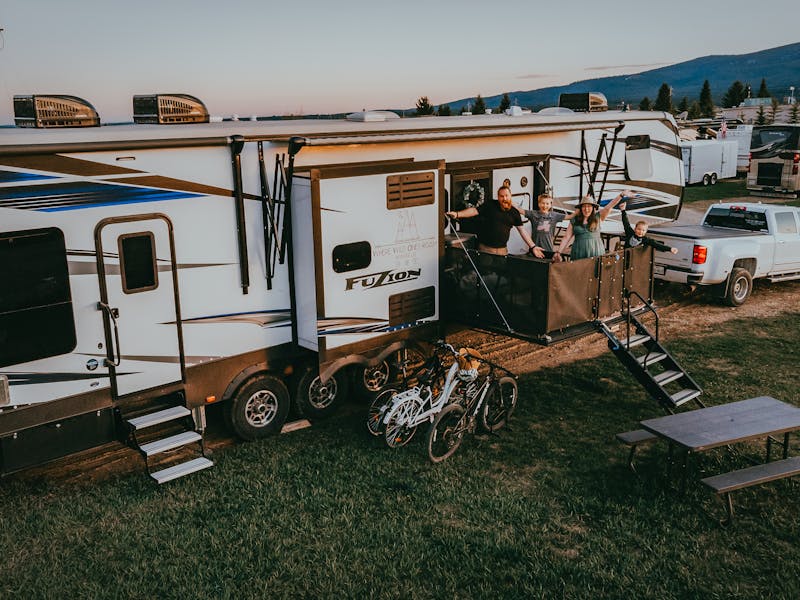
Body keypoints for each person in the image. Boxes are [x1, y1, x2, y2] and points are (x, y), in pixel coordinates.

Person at [446, 185, 544, 258]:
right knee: (485, 275)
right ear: (498, 197)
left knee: (499, 279)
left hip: (502, 250)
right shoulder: (490, 205)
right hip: (485, 249)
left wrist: (533, 246)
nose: (504, 198)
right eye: (501, 196)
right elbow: (474, 211)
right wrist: (457, 214)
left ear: (510, 196)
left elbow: (522, 231)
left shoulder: (514, 212)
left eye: (506, 195)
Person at [554, 190, 631, 261]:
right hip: (578, 253)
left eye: (589, 206)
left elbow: (609, 206)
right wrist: (558, 252)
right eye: (584, 206)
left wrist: (621, 195)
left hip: (596, 252)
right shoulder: (574, 220)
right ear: (580, 208)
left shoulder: (598, 217)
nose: (586, 209)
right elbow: (566, 237)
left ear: (593, 208)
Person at [515, 192, 576, 258]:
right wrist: (509, 202)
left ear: (550, 205)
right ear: (539, 204)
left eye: (547, 203)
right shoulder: (533, 214)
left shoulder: (554, 215)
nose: (545, 206)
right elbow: (520, 210)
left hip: (548, 250)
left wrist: (581, 208)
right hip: (534, 250)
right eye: (543, 203)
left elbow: (570, 216)